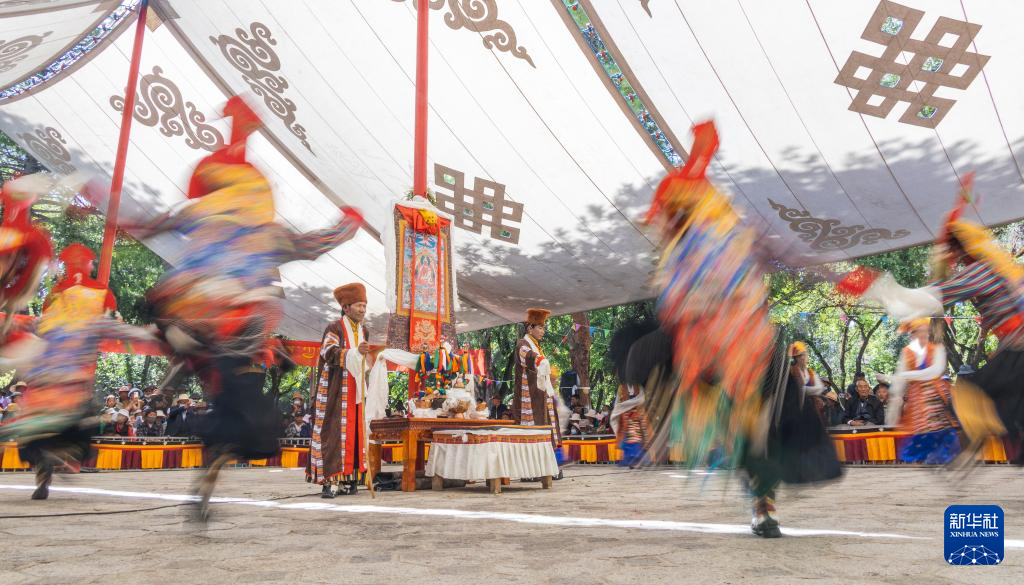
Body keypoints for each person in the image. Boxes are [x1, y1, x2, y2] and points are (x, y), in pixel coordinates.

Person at [631, 121, 840, 538]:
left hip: (752, 350)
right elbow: (673, 307)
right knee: (746, 435)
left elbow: (788, 256)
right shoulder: (684, 256)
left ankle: (764, 504)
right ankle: (762, 503)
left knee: (765, 430)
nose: (670, 222)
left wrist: (848, 278)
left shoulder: (732, 236)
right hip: (711, 359)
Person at [840, 176, 1023, 463]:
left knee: (975, 392)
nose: (952, 258)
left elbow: (931, 297)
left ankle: (977, 448)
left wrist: (881, 288)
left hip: (1018, 350)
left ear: (960, 248)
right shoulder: (997, 268)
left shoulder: (980, 272)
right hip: (1014, 350)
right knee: (1003, 402)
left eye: (952, 251)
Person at [307, 283, 374, 498]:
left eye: (364, 306)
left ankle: (349, 479)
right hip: (335, 389)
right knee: (334, 432)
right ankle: (330, 481)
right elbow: (328, 351)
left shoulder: (364, 330)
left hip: (355, 388)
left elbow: (362, 359)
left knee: (354, 433)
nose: (363, 310)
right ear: (346, 308)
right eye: (359, 305)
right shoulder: (334, 327)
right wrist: (354, 352)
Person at [887, 318, 960, 464]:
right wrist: (895, 398)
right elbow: (899, 379)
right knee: (922, 431)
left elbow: (935, 371)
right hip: (917, 399)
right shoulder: (907, 352)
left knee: (940, 428)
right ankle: (929, 458)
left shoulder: (937, 348)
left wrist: (906, 375)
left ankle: (943, 457)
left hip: (937, 395)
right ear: (912, 334)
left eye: (925, 330)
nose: (922, 334)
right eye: (918, 331)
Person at [510, 308, 565, 469]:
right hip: (529, 398)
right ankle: (531, 469)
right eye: (540, 327)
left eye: (543, 328)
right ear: (530, 328)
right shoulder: (523, 344)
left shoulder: (536, 346)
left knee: (546, 429)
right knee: (533, 430)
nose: (543, 331)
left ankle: (548, 467)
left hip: (541, 397)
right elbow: (529, 356)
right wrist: (541, 361)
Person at [610, 384, 651, 467]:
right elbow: (618, 403)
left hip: (637, 416)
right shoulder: (621, 387)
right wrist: (619, 411)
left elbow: (642, 400)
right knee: (628, 438)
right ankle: (631, 461)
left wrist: (635, 406)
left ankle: (636, 461)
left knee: (637, 437)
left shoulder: (639, 387)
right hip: (626, 416)